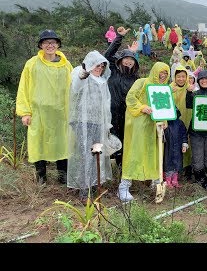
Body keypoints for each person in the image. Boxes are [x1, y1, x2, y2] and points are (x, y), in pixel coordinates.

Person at [16, 29, 73, 185]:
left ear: (58, 45)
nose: (50, 45)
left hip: (61, 113)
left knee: (63, 143)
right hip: (39, 113)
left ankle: (63, 175)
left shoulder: (65, 64)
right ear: (41, 45)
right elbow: (24, 88)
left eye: (53, 42)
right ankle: (41, 177)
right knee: (38, 143)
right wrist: (25, 112)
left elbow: (73, 87)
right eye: (46, 42)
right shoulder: (32, 64)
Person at [117, 62, 171, 202]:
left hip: (154, 127)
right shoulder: (141, 82)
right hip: (138, 125)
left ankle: (154, 181)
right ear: (154, 71)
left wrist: (164, 121)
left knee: (154, 152)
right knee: (134, 153)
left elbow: (164, 108)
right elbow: (130, 98)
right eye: (161, 72)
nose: (163, 75)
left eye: (165, 73)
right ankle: (124, 186)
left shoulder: (164, 89)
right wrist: (142, 107)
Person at [67, 51, 115, 199]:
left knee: (97, 154)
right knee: (85, 154)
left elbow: (106, 105)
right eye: (96, 65)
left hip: (98, 123)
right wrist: (83, 73)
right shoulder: (81, 73)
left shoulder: (102, 81)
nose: (99, 68)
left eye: (102, 66)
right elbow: (76, 85)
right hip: (83, 122)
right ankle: (83, 187)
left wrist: (107, 124)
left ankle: (95, 184)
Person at [104, 27, 139, 170]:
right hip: (112, 113)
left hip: (128, 114)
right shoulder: (113, 71)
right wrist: (119, 37)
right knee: (112, 139)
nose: (128, 62)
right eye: (126, 59)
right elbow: (107, 54)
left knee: (126, 140)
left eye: (131, 60)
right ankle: (107, 168)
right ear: (120, 60)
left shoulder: (136, 78)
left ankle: (121, 168)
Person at [170, 66, 194, 180]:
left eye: (183, 76)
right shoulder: (170, 88)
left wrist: (190, 93)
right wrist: (169, 92)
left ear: (187, 77)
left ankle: (187, 169)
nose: (181, 79)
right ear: (174, 77)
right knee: (173, 145)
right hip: (173, 122)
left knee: (186, 142)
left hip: (187, 119)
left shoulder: (189, 89)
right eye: (178, 76)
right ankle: (173, 170)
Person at [163, 108, 189, 188]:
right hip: (168, 147)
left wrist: (184, 144)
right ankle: (168, 180)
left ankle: (175, 180)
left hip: (178, 147)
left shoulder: (180, 123)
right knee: (168, 164)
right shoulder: (164, 123)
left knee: (177, 163)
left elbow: (184, 134)